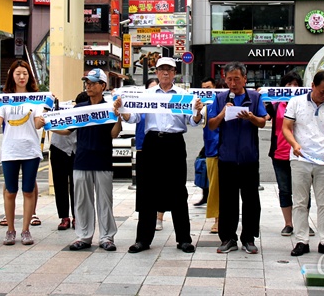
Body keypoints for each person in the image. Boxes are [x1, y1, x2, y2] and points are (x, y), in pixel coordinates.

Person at [115, 57, 204, 254]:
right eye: (162, 69)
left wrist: (197, 112)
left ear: (175, 73)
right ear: (156, 72)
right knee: (147, 192)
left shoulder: (184, 95)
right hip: (152, 142)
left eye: (169, 70)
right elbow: (135, 117)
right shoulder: (147, 95)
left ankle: (184, 239)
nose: (165, 73)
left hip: (174, 143)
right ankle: (143, 240)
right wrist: (122, 110)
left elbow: (194, 121)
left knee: (178, 192)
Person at [54, 69, 122, 251]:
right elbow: (67, 130)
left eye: (93, 82)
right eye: (87, 82)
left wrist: (118, 117)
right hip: (81, 160)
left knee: (104, 201)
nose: (89, 86)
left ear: (103, 86)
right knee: (82, 201)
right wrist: (48, 125)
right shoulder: (79, 108)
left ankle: (107, 237)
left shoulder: (109, 108)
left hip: (102, 160)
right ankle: (84, 236)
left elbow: (113, 134)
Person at [208, 62, 268, 254]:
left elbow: (262, 122)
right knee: (227, 200)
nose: (233, 83)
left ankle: (249, 238)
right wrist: (223, 113)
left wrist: (250, 117)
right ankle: (228, 238)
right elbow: (211, 125)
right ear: (224, 80)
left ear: (244, 79)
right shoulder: (220, 98)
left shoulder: (255, 97)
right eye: (229, 79)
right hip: (227, 158)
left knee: (251, 199)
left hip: (249, 157)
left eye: (236, 79)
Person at [282, 70, 324, 257]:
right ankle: (302, 240)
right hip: (301, 158)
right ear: (313, 86)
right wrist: (294, 144)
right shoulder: (296, 102)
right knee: (300, 201)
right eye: (322, 91)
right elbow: (286, 127)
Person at [0, 60, 45, 246]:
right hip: (10, 150)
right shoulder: (4, 100)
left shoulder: (36, 99)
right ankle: (10, 230)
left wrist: (44, 120)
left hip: (30, 150)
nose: (22, 77)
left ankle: (25, 230)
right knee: (10, 191)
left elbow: (36, 123)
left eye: (25, 74)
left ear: (30, 77)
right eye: (18, 73)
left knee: (28, 191)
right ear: (12, 75)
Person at [266, 71, 316, 237]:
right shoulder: (275, 104)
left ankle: (304, 223)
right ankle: (288, 223)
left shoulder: (307, 104)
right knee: (285, 189)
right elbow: (264, 117)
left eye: (295, 85)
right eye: (288, 85)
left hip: (302, 153)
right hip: (280, 153)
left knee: (303, 190)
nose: (292, 88)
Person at [50, 91, 89, 231]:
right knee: (60, 183)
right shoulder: (64, 110)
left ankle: (76, 217)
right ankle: (64, 217)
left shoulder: (90, 113)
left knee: (76, 184)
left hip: (76, 150)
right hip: (58, 148)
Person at [132, 78, 164, 231]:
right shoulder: (142, 104)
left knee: (162, 185)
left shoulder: (166, 106)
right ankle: (145, 220)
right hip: (143, 148)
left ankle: (159, 216)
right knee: (144, 187)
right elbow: (132, 117)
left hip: (162, 147)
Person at [200, 77, 219, 233]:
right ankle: (217, 219)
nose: (207, 91)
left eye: (209, 88)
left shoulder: (225, 103)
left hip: (229, 151)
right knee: (214, 187)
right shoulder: (204, 108)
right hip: (212, 150)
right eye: (203, 89)